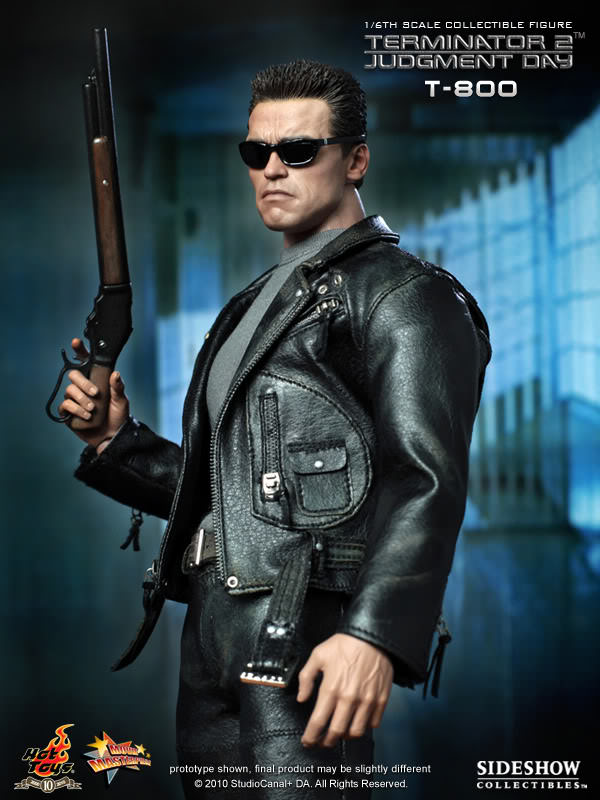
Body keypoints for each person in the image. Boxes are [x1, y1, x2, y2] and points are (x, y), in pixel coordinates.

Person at [60, 60, 491, 798]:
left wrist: (373, 636)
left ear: (355, 160)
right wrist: (115, 440)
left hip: (303, 635)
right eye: (255, 151)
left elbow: (424, 479)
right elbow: (239, 496)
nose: (272, 169)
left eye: (298, 149)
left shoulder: (404, 295)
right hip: (212, 638)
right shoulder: (256, 304)